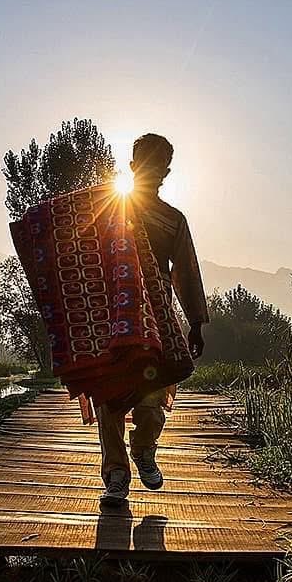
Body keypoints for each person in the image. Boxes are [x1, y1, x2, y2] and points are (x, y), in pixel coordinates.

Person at [98, 133, 209, 506]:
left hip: (157, 315)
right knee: (109, 394)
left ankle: (144, 448)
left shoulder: (173, 221)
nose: (153, 170)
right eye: (146, 163)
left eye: (160, 165)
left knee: (154, 390)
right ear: (132, 167)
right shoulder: (107, 210)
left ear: (167, 172)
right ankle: (115, 476)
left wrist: (195, 323)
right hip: (113, 314)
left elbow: (186, 270)